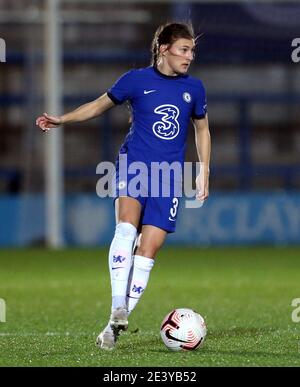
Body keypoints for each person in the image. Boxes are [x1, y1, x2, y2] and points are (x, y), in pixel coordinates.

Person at [36, 22, 211, 350]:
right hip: (135, 166)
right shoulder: (135, 80)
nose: (189, 56)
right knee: (127, 228)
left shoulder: (195, 88)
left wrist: (203, 170)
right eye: (184, 50)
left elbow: (202, 130)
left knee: (148, 251)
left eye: (192, 51)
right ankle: (118, 303)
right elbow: (97, 106)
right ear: (164, 49)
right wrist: (62, 118)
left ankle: (114, 325)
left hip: (169, 177)